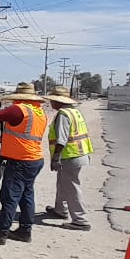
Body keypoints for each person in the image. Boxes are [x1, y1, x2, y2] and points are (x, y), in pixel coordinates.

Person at [0, 82, 46, 244]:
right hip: (35, 159)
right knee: (26, 196)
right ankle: (25, 231)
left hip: (21, 162)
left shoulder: (18, 109)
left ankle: (0, 233)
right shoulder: (39, 112)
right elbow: (24, 133)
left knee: (10, 197)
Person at [44, 86, 94, 230]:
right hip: (80, 153)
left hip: (70, 156)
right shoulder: (75, 112)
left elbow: (61, 140)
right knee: (62, 183)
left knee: (71, 187)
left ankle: (80, 220)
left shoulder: (63, 115)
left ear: (59, 102)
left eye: (53, 101)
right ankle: (60, 210)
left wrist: (55, 158)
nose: (51, 104)